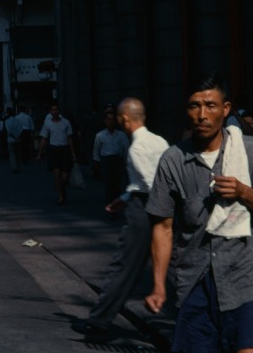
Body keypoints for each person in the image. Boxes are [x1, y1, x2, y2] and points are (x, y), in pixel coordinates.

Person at [144, 73, 253, 352]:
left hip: (241, 279)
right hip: (193, 281)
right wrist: (159, 285)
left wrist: (244, 192)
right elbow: (162, 227)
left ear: (226, 109)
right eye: (194, 106)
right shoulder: (173, 160)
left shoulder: (251, 151)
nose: (201, 114)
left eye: (210, 105)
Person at [72, 97, 170, 342]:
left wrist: (132, 200)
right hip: (157, 207)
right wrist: (124, 197)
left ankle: (99, 320)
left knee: (125, 265)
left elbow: (149, 184)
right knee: (172, 264)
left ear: (125, 120)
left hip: (145, 210)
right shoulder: (160, 141)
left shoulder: (135, 148)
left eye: (118, 117)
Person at [37, 103, 77, 205]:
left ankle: (63, 189)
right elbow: (44, 139)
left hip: (64, 149)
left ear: (59, 111)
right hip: (54, 150)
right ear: (50, 112)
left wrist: (73, 153)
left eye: (57, 109)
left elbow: (69, 139)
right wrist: (39, 153)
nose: (55, 111)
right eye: (53, 110)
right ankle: (60, 196)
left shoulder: (66, 122)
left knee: (64, 176)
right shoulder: (48, 124)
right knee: (56, 175)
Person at [92, 109, 131, 209]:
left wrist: (126, 163)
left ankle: (116, 204)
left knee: (117, 185)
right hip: (106, 161)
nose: (110, 122)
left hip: (117, 161)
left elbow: (126, 149)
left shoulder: (121, 135)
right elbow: (96, 152)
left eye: (113, 119)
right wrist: (97, 166)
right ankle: (110, 205)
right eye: (108, 119)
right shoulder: (100, 136)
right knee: (108, 186)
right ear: (105, 121)